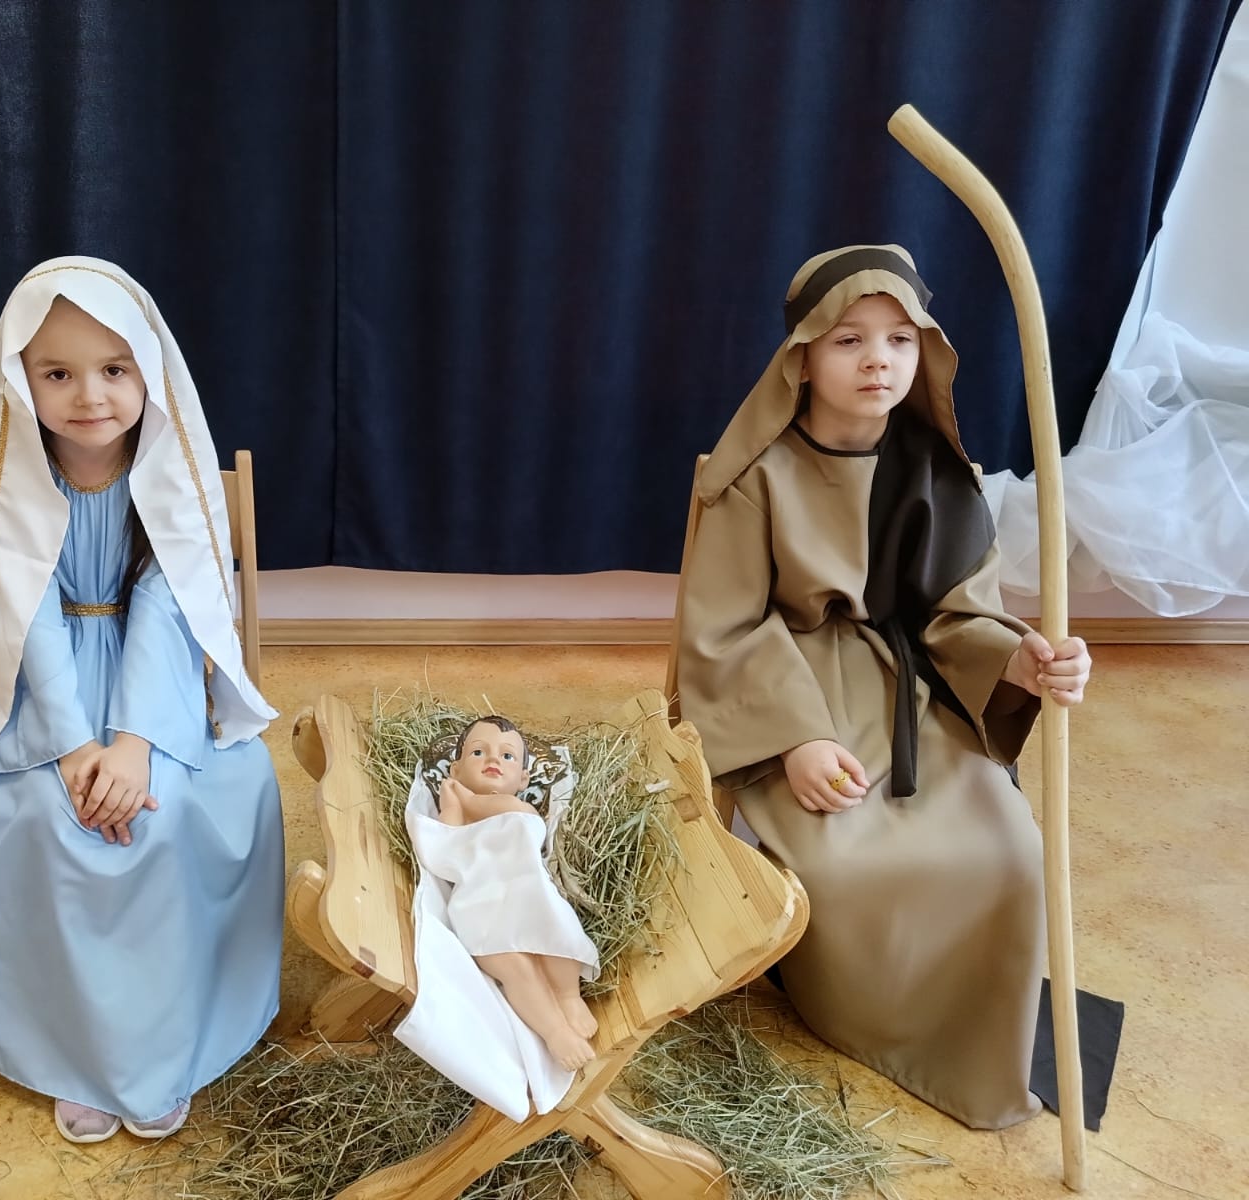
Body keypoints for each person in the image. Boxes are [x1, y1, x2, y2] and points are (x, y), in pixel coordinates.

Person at [674, 244, 1092, 1130]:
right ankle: (872, 1017)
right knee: (851, 863)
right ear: (803, 359)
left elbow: (958, 616)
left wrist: (1019, 659)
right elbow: (725, 627)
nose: (878, 360)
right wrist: (796, 739)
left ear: (924, 353)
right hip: (795, 689)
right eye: (850, 340)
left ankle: (985, 1039)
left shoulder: (938, 474)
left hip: (911, 686)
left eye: (900, 340)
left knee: (1008, 848)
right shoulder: (754, 477)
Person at [0, 256, 284, 1144]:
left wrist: (132, 744)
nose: (90, 395)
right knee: (39, 820)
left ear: (147, 372)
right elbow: (24, 611)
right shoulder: (15, 479)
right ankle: (76, 1054)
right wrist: (75, 746)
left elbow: (169, 602)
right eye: (58, 373)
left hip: (153, 680)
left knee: (170, 815)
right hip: (41, 685)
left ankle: (160, 1050)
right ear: (22, 380)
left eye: (114, 369)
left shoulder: (168, 472)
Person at [427, 716, 600, 1070]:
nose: (493, 759)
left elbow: (525, 822)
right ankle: (555, 1032)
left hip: (526, 889)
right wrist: (453, 804)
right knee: (516, 967)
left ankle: (568, 995)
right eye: (478, 752)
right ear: (456, 769)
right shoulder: (459, 807)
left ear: (522, 779)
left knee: (556, 936)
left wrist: (469, 799)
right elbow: (445, 846)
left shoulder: (518, 807)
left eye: (507, 756)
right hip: (481, 899)